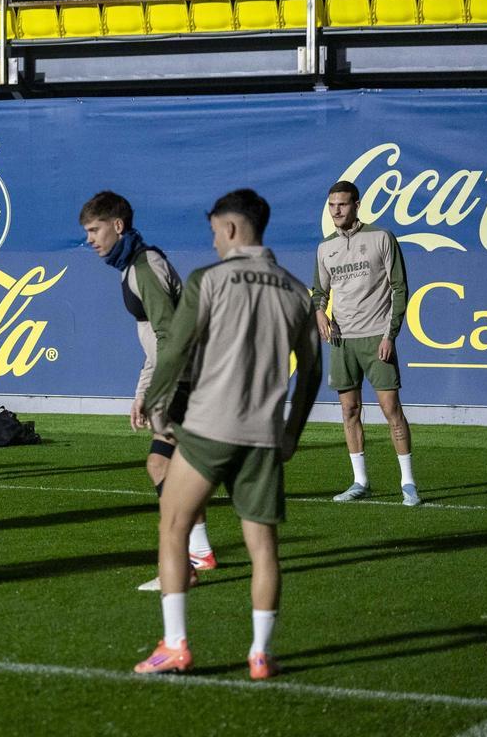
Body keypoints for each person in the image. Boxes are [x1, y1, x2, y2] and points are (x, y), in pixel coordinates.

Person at [132, 189, 321, 679]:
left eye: (215, 232)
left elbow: (175, 347)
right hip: (262, 435)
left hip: (208, 429)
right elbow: (313, 373)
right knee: (263, 549)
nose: (214, 241)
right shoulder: (297, 290)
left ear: (232, 229)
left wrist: (156, 403)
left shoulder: (208, 279)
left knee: (173, 528)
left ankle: (175, 646)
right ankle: (261, 653)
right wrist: (292, 432)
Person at [79, 191, 215, 590]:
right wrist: (141, 392)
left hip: (183, 379)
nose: (89, 239)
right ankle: (200, 552)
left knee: (160, 467)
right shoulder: (132, 266)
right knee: (180, 469)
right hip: (183, 376)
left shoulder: (144, 265)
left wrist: (158, 389)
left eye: (94, 229)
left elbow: (168, 334)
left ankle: (183, 566)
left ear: (117, 226)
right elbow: (153, 340)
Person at [312, 180, 420, 506]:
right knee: (349, 411)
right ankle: (360, 481)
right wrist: (319, 312)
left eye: (342, 204)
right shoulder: (325, 248)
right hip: (342, 341)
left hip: (376, 339)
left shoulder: (381, 238)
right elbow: (320, 292)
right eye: (332, 205)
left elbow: (400, 288)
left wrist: (390, 335)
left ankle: (408, 483)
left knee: (391, 410)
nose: (336, 211)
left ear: (356, 205)